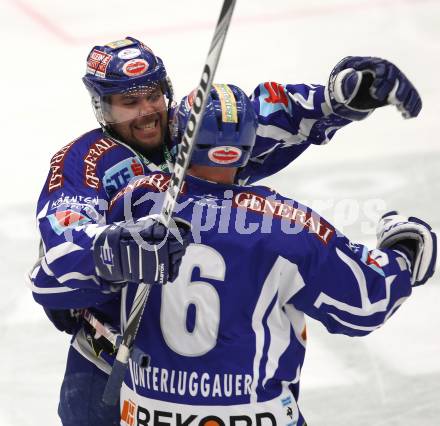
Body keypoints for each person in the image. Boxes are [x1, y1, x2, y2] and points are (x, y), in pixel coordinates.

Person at [27, 35, 423, 425]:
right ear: (102, 107)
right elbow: (63, 247)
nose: (148, 111)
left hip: (194, 372)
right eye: (130, 102)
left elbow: (255, 119)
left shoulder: (190, 128)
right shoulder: (85, 163)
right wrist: (111, 249)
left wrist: (337, 97)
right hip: (109, 368)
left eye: (154, 96)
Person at [103, 84, 436, 425]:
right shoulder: (287, 225)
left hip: (144, 415)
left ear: (179, 135)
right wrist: (404, 253)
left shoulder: (133, 200)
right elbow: (367, 304)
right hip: (255, 415)